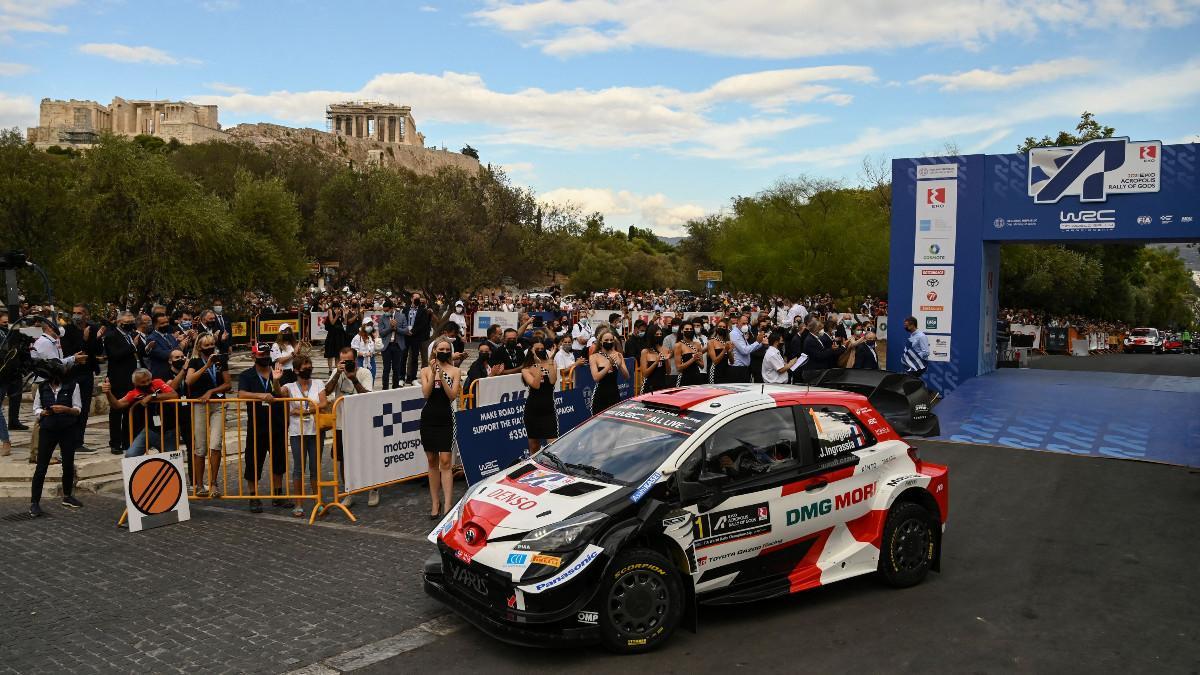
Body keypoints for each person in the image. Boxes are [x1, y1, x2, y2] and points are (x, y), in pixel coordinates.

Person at [237, 343, 291, 513]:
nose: (265, 357)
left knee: (279, 460)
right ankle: (254, 496)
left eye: (267, 354)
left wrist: (275, 381)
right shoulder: (247, 375)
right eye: (261, 355)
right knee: (253, 460)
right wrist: (261, 395)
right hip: (257, 425)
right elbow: (241, 394)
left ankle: (278, 495)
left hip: (277, 423)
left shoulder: (280, 372)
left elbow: (282, 393)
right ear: (254, 356)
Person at [29, 367, 83, 517]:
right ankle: (34, 503)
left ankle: (67, 496)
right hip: (48, 429)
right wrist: (44, 413)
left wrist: (66, 409)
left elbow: (78, 408)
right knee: (41, 467)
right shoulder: (42, 387)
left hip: (67, 428)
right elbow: (36, 408)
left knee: (68, 463)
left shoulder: (73, 385)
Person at [324, 346, 374, 508]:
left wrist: (353, 379)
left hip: (360, 423)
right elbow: (326, 391)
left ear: (356, 360)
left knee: (366, 457)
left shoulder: (364, 373)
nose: (346, 364)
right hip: (341, 424)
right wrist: (338, 373)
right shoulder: (337, 372)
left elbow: (367, 396)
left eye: (349, 361)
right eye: (343, 361)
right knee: (343, 460)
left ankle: (373, 489)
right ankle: (348, 492)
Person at [184, 334, 231, 497]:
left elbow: (228, 384)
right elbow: (189, 381)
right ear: (199, 348)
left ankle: (213, 483)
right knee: (200, 446)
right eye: (206, 345)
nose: (210, 347)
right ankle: (198, 484)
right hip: (199, 405)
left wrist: (211, 391)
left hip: (217, 404)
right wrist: (207, 365)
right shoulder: (194, 362)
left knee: (216, 443)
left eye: (212, 344)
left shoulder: (221, 360)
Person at [420, 337, 461, 519]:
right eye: (440, 348)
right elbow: (426, 393)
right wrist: (433, 371)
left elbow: (452, 395)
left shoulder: (455, 370)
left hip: (446, 417)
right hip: (429, 417)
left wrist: (443, 376)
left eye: (447, 349)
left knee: (445, 461)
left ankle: (448, 503)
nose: (444, 351)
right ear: (434, 351)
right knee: (431, 460)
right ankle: (435, 502)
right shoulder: (426, 370)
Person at [282, 355, 326, 518]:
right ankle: (299, 503)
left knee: (315, 468)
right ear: (296, 370)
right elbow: (278, 393)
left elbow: (323, 403)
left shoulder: (319, 383)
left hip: (315, 431)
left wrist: (306, 411)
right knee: (299, 468)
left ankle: (318, 501)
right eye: (304, 367)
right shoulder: (289, 386)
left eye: (309, 366)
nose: (308, 369)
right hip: (297, 432)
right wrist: (275, 379)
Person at [102, 368, 180, 457]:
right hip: (150, 430)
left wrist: (152, 396)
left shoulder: (157, 382)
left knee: (171, 458)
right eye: (142, 382)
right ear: (135, 384)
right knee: (131, 455)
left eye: (148, 380)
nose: (146, 383)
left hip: (169, 430)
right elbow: (117, 405)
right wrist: (108, 393)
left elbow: (174, 395)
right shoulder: (134, 393)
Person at [61, 303, 103, 454]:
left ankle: (79, 441)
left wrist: (93, 338)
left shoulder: (93, 329)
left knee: (84, 408)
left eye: (80, 313)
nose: (76, 315)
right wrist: (84, 340)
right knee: (71, 407)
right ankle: (68, 440)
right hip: (72, 374)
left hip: (86, 374)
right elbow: (69, 352)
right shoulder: (67, 330)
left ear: (87, 315)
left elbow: (97, 351)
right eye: (74, 312)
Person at [104, 311, 140, 454]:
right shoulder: (111, 336)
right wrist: (132, 347)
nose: (130, 324)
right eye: (127, 322)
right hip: (117, 379)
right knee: (116, 411)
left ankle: (127, 441)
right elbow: (114, 355)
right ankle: (115, 442)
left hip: (130, 379)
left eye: (132, 321)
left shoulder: (130, 335)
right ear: (119, 322)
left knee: (129, 410)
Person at [521, 337, 559, 455]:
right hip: (532, 410)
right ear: (531, 350)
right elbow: (536, 385)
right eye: (537, 349)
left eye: (542, 348)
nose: (540, 351)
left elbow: (552, 380)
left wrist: (551, 360)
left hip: (548, 410)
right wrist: (538, 366)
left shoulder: (551, 363)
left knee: (553, 444)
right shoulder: (526, 369)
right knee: (534, 445)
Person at [589, 330, 628, 414]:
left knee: (614, 424)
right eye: (606, 340)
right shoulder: (594, 357)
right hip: (600, 396)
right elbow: (596, 378)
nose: (609, 342)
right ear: (600, 342)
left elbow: (627, 376)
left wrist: (620, 365)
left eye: (611, 340)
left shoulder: (618, 355)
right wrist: (609, 364)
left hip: (614, 394)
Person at [377, 299, 409, 390]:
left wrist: (396, 329)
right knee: (386, 369)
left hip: (398, 345)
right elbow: (381, 333)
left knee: (396, 368)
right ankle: (385, 388)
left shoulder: (401, 316)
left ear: (392, 308)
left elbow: (405, 330)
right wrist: (390, 328)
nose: (385, 312)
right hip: (386, 346)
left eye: (387, 310)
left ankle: (395, 388)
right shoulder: (382, 318)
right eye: (384, 311)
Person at [404, 293, 433, 386]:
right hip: (413, 337)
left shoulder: (424, 309)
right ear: (411, 299)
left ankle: (424, 375)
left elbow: (426, 323)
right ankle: (410, 376)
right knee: (412, 357)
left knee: (425, 357)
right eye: (416, 298)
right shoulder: (407, 309)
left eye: (419, 298)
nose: (418, 300)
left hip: (423, 337)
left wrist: (429, 314)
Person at [145, 312, 182, 381]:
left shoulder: (169, 335)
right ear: (155, 325)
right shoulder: (151, 338)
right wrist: (180, 347)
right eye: (162, 323)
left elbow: (178, 350)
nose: (166, 325)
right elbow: (162, 354)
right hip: (161, 374)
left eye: (167, 322)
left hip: (174, 372)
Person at [727, 313, 758, 383]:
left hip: (744, 369)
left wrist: (761, 342)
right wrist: (758, 342)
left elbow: (748, 348)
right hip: (737, 369)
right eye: (743, 323)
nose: (745, 325)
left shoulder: (741, 333)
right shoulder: (734, 334)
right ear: (737, 322)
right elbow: (744, 351)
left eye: (747, 324)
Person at [640, 327, 670, 394]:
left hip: (663, 385)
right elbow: (645, 374)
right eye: (657, 334)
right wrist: (655, 363)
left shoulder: (665, 350)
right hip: (650, 386)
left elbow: (668, 372)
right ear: (651, 336)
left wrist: (667, 360)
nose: (659, 336)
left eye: (660, 334)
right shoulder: (645, 352)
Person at [350, 318, 380, 385]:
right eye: (368, 325)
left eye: (371, 325)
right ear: (364, 325)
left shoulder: (371, 336)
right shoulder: (357, 337)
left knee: (371, 379)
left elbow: (378, 348)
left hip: (371, 361)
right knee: (360, 380)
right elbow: (354, 351)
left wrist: (377, 338)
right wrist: (364, 354)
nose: (370, 327)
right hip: (360, 361)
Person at [322, 304, 347, 372]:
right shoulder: (330, 310)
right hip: (332, 334)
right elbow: (332, 322)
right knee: (330, 353)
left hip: (340, 334)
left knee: (338, 353)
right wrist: (337, 315)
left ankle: (337, 369)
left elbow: (344, 323)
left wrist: (345, 314)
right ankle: (330, 369)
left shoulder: (341, 310)